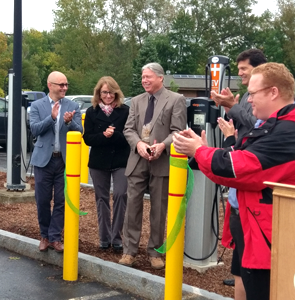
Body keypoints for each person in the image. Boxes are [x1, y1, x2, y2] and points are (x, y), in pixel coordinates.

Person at [173, 62, 295, 300]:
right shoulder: (274, 126)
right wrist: (205, 151)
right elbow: (235, 165)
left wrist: (199, 151)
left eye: (252, 93)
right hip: (255, 227)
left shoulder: (286, 131)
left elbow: (239, 169)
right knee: (246, 280)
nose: (248, 100)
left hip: (269, 236)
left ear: (273, 92)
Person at [118, 62, 187, 269]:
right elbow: (128, 129)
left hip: (161, 161)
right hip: (138, 159)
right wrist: (138, 144)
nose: (144, 80)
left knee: (158, 209)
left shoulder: (176, 100)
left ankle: (155, 252)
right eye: (142, 77)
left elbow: (177, 130)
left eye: (148, 77)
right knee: (132, 207)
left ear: (160, 78)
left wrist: (162, 147)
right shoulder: (137, 101)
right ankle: (129, 251)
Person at [212, 48, 266, 300]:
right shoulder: (246, 95)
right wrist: (228, 117)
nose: (240, 73)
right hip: (238, 188)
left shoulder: (262, 103)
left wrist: (232, 106)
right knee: (241, 257)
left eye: (244, 68)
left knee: (252, 260)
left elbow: (256, 124)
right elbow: (244, 125)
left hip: (252, 188)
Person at [30, 71, 83, 253]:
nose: (65, 88)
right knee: (43, 200)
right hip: (44, 161)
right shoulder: (37, 106)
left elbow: (80, 131)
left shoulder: (72, 105)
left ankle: (54, 238)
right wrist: (51, 118)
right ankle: (44, 235)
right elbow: (35, 130)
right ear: (50, 85)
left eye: (66, 84)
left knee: (61, 201)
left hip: (64, 161)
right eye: (61, 85)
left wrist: (69, 122)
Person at [83, 76, 130, 253]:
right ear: (98, 93)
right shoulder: (91, 111)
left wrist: (115, 135)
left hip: (120, 161)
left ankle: (116, 236)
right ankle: (104, 237)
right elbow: (87, 138)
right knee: (101, 199)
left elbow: (129, 137)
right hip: (98, 162)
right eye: (104, 92)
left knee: (120, 195)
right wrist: (104, 136)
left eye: (111, 92)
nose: (108, 96)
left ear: (116, 93)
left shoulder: (125, 111)